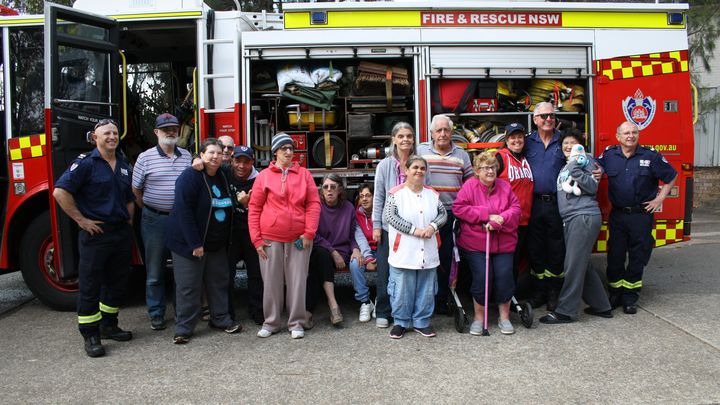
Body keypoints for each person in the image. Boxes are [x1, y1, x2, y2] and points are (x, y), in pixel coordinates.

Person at [53, 119, 135, 358]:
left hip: (120, 233)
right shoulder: (86, 164)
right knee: (90, 285)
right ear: (95, 138)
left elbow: (129, 196)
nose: (112, 136)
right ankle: (90, 334)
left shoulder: (122, 163)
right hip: (96, 235)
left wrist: (128, 220)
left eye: (115, 133)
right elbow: (60, 192)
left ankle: (109, 325)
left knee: (117, 282)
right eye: (106, 133)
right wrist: (81, 220)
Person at [166, 138, 241, 344]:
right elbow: (184, 212)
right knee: (189, 287)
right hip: (190, 245)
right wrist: (195, 244)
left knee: (218, 283)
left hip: (216, 244)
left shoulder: (223, 174)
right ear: (200, 155)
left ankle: (221, 319)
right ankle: (183, 329)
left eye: (218, 153)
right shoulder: (189, 177)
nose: (216, 156)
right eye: (210, 153)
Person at [598, 121, 677, 314]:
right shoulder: (609, 156)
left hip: (641, 216)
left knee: (637, 257)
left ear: (638, 135)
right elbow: (595, 168)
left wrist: (659, 199)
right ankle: (615, 293)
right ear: (618, 137)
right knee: (615, 256)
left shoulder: (650, 156)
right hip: (617, 215)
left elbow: (671, 176)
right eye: (626, 133)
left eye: (634, 132)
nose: (630, 136)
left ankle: (630, 297)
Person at [249, 133, 321, 339]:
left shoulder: (304, 174)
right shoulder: (263, 176)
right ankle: (271, 322)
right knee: (271, 281)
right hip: (270, 237)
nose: (289, 152)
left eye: (291, 148)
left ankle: (296, 322)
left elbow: (313, 205)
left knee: (298, 280)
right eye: (284, 149)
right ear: (275, 152)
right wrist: (256, 239)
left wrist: (309, 233)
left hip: (299, 238)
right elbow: (254, 208)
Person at [540, 131, 612, 324]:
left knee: (571, 266)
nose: (568, 146)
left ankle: (566, 311)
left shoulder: (584, 160)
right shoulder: (568, 164)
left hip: (583, 217)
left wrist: (575, 168)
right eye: (565, 143)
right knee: (582, 264)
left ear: (581, 146)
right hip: (572, 218)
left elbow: (592, 186)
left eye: (572, 143)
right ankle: (602, 306)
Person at [132, 113, 192, 331]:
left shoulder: (186, 156)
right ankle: (156, 313)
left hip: (180, 221)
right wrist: (150, 210)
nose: (170, 132)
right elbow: (136, 190)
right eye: (165, 129)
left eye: (174, 128)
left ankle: (181, 312)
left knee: (181, 270)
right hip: (154, 219)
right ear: (156, 132)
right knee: (155, 271)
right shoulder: (145, 158)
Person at [454, 151, 521, 335]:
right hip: (476, 243)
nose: (490, 171)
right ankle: (479, 317)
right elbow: (458, 208)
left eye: (493, 167)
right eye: (485, 168)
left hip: (503, 242)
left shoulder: (505, 187)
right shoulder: (469, 186)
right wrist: (485, 215)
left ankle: (504, 317)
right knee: (483, 276)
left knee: (504, 276)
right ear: (477, 170)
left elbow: (515, 209)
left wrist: (501, 218)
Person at [384, 155, 447, 339]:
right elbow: (391, 217)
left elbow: (442, 214)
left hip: (428, 251)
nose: (419, 171)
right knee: (402, 288)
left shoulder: (432, 194)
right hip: (403, 252)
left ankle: (422, 322)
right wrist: (414, 230)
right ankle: (401, 322)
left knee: (426, 288)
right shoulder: (395, 194)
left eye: (422, 168)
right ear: (406, 171)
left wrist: (432, 227)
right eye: (415, 167)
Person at [417, 114, 473, 314]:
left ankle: (442, 297)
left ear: (452, 132)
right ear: (431, 133)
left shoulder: (462, 154)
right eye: (438, 130)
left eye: (446, 130)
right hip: (427, 214)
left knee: (448, 257)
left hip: (453, 215)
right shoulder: (421, 151)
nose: (442, 134)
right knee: (425, 256)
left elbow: (470, 184)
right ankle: (424, 298)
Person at [372, 122, 419, 328]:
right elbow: (379, 197)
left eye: (409, 136)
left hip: (412, 228)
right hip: (387, 227)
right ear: (394, 140)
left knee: (408, 271)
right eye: (401, 136)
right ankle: (383, 310)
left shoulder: (419, 163)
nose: (405, 139)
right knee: (385, 271)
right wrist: (376, 225)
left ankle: (405, 311)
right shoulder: (384, 166)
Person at [524, 102, 567, 311]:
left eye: (551, 115)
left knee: (556, 249)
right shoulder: (526, 143)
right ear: (535, 120)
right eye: (543, 116)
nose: (548, 119)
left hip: (557, 204)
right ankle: (538, 292)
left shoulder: (564, 140)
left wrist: (596, 169)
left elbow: (582, 161)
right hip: (533, 204)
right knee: (535, 249)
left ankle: (553, 293)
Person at [306, 174, 363, 326]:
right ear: (321, 190)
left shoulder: (348, 208)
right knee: (321, 256)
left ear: (339, 190)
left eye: (333, 187)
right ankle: (333, 305)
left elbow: (352, 235)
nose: (329, 190)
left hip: (341, 254)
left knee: (318, 264)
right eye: (325, 187)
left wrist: (356, 249)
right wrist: (332, 251)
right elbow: (314, 235)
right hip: (323, 250)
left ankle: (307, 312)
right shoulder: (316, 207)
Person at [226, 146, 263, 325]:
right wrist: (196, 160)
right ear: (231, 161)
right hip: (231, 233)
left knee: (256, 274)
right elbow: (203, 160)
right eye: (238, 161)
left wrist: (249, 205)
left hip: (252, 232)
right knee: (227, 274)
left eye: (246, 162)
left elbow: (267, 209)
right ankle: (227, 314)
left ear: (252, 162)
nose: (241, 166)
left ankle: (257, 311)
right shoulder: (225, 172)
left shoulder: (260, 180)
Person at [495, 122, 534, 285]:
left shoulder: (525, 160)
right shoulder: (500, 157)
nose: (516, 140)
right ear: (506, 139)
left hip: (524, 221)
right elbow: (485, 184)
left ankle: (511, 296)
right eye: (512, 137)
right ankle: (502, 297)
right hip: (507, 222)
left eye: (520, 137)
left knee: (517, 260)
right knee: (505, 262)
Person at [353, 183, 378, 322]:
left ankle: (381, 299)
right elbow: (360, 237)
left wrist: (380, 256)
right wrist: (368, 258)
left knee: (389, 264)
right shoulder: (356, 215)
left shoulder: (381, 212)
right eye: (361, 196)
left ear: (375, 197)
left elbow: (385, 237)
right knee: (354, 264)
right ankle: (365, 302)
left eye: (368, 195)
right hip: (364, 250)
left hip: (381, 250)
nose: (364, 199)